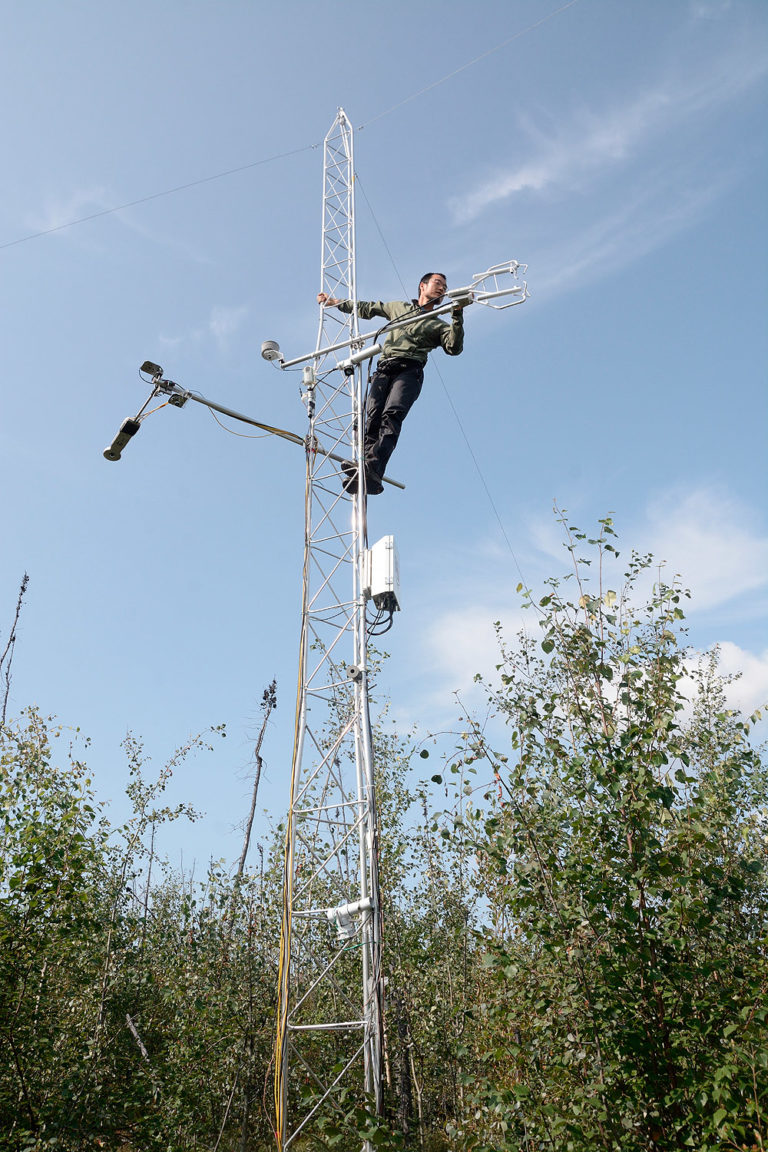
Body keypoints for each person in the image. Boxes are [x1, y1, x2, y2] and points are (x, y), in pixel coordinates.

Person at [317, 273, 472, 494]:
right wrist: (335, 303)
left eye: (445, 286)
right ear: (422, 286)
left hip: (409, 370)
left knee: (391, 415)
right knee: (371, 418)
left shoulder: (438, 324)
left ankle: (373, 467)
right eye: (438, 283)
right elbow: (368, 308)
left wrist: (457, 314)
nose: (442, 288)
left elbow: (454, 347)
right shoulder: (398, 308)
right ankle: (365, 466)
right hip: (384, 368)